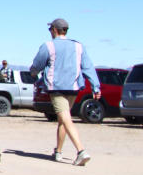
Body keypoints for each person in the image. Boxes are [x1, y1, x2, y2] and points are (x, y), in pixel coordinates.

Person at [29, 18, 100, 166]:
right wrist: (96, 87)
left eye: (50, 29)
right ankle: (58, 152)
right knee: (63, 120)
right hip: (73, 88)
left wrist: (33, 73)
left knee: (66, 119)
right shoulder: (78, 46)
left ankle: (81, 151)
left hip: (57, 88)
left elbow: (37, 65)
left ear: (54, 29)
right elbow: (88, 67)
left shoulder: (48, 46)